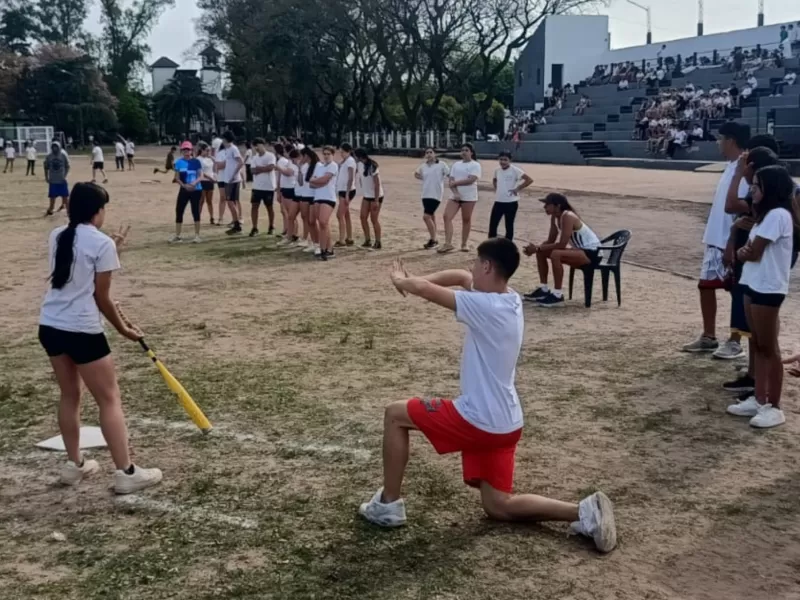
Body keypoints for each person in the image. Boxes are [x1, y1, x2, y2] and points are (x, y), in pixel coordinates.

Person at [358, 241, 617, 554]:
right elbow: (458, 276)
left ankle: (388, 504)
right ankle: (585, 512)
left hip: (478, 419)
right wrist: (415, 279)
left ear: (487, 267)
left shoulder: (486, 307)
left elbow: (428, 291)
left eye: (476, 262)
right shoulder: (509, 298)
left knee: (395, 414)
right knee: (498, 506)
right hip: (506, 423)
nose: (471, 267)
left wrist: (401, 280)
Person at [38, 182, 162, 493]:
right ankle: (126, 472)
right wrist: (124, 329)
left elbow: (78, 274)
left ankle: (74, 465)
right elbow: (101, 297)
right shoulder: (100, 242)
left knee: (69, 395)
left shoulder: (58, 235)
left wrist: (112, 250)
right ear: (97, 211)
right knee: (109, 399)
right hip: (82, 330)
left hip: (50, 325)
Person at [726, 166, 798, 429]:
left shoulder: (778, 215)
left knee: (769, 347)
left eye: (757, 185)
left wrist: (745, 252)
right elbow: (746, 251)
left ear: (770, 188)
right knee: (757, 343)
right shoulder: (763, 216)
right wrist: (744, 252)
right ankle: (758, 399)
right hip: (752, 283)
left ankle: (774, 406)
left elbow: (753, 252)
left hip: (769, 288)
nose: (752, 190)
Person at [682, 122, 750, 354]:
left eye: (721, 139)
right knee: (706, 286)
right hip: (715, 238)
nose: (718, 143)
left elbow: (742, 208)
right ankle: (709, 336)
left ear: (730, 140)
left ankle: (735, 340)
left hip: (731, 240)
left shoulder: (745, 169)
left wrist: (733, 241)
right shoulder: (731, 166)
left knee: (737, 291)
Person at [721, 140, 781, 395]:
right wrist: (733, 240)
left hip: (763, 273)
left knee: (764, 336)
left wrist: (738, 174)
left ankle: (763, 389)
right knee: (756, 331)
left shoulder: (774, 205)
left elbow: (730, 205)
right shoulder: (763, 197)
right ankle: (755, 379)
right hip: (753, 269)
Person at [522, 193, 601, 308]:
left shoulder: (568, 216)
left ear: (557, 206)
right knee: (542, 250)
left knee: (556, 254)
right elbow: (550, 240)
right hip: (579, 251)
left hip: (592, 253)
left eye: (547, 204)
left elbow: (562, 244)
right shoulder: (555, 217)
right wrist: (537, 248)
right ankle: (544, 289)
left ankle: (557, 295)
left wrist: (537, 248)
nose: (544, 207)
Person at [439, 143, 481, 254]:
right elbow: (451, 180)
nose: (464, 152)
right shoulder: (456, 164)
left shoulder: (475, 165)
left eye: (466, 150)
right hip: (455, 196)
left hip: (469, 196)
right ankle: (448, 243)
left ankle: (464, 243)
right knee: (447, 216)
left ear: (471, 152)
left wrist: (456, 183)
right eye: (462, 150)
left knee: (466, 219)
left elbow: (471, 180)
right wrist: (455, 192)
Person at [490, 152, 533, 241]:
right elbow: (494, 179)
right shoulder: (497, 170)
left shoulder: (515, 170)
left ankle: (508, 245)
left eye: (505, 160)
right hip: (499, 201)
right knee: (493, 224)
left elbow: (529, 180)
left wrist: (517, 189)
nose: (503, 162)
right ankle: (490, 245)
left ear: (510, 160)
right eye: (501, 159)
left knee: (509, 225)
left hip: (511, 202)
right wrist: (497, 189)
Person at [169, 141, 205, 244]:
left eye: (188, 149)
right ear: (182, 151)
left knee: (195, 211)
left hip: (196, 189)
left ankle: (197, 235)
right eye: (184, 150)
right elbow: (177, 177)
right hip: (184, 189)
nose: (186, 151)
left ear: (191, 150)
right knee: (179, 210)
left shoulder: (196, 162)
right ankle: (178, 235)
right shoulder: (179, 162)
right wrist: (184, 186)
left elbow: (201, 176)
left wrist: (193, 183)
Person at [414, 147, 449, 249]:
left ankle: (434, 240)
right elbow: (416, 173)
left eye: (431, 152)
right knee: (431, 216)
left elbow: (449, 174)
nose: (429, 154)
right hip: (425, 194)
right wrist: (423, 178)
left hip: (436, 194)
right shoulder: (423, 166)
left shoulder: (441, 164)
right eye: (427, 152)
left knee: (426, 217)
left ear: (435, 154)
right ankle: (433, 238)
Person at [309, 146, 339, 260]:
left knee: (323, 221)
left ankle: (323, 249)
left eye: (328, 154)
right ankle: (329, 249)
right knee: (323, 224)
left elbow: (324, 180)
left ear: (332, 155)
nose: (326, 156)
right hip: (318, 197)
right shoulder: (319, 166)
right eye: (324, 154)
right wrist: (319, 182)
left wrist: (317, 181)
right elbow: (311, 183)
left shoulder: (333, 165)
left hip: (328, 197)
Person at [354, 148, 384, 249]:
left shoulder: (372, 166)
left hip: (376, 196)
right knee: (363, 217)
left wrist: (376, 200)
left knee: (374, 219)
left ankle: (378, 241)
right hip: (367, 195)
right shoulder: (359, 164)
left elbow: (377, 184)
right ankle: (367, 240)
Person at [248, 137, 276, 237]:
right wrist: (263, 168)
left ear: (262, 145)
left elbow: (271, 167)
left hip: (268, 186)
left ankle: (271, 226)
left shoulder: (270, 156)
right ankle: (254, 227)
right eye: (254, 146)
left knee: (269, 207)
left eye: (257, 145)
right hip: (257, 187)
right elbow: (252, 171)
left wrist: (259, 168)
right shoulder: (254, 158)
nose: (256, 148)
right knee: (254, 206)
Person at [276, 145, 300, 245]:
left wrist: (277, 167)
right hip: (285, 188)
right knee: (288, 214)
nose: (284, 154)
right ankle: (290, 234)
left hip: (291, 189)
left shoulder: (293, 164)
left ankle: (294, 234)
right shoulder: (288, 163)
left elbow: (288, 173)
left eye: (285, 152)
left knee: (291, 214)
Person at [221, 131, 244, 235]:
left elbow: (241, 162)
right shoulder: (227, 149)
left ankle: (237, 225)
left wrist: (234, 175)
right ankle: (236, 223)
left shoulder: (233, 149)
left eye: (223, 138)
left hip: (232, 180)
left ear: (226, 139)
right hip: (227, 179)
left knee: (230, 202)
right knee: (231, 202)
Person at [299, 147, 320, 254]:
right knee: (306, 219)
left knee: (313, 221)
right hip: (305, 194)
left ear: (306, 156)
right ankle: (312, 242)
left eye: (301, 156)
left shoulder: (318, 165)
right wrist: (299, 168)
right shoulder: (304, 166)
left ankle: (318, 243)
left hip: (313, 196)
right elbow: (300, 182)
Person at [335, 143, 357, 248]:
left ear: (348, 151)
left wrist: (347, 194)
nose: (341, 154)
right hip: (342, 190)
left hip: (346, 190)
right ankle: (349, 237)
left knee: (340, 215)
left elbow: (351, 178)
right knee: (345, 214)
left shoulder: (350, 161)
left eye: (343, 152)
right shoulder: (345, 161)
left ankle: (342, 239)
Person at [44, 142, 71, 216]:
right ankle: (50, 209)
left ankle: (69, 212)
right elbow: (46, 167)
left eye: (56, 147)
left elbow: (67, 166)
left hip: (62, 180)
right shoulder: (49, 157)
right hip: (53, 181)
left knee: (65, 197)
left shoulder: (63, 155)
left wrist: (65, 176)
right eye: (53, 147)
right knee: (52, 198)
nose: (55, 148)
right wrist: (46, 177)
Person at [197, 143, 216, 225]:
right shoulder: (198, 159)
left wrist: (214, 176)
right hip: (203, 181)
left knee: (209, 201)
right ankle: (197, 218)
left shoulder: (210, 159)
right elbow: (200, 172)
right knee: (201, 201)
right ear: (202, 150)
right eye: (207, 150)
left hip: (210, 181)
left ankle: (212, 217)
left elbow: (214, 168)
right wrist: (210, 178)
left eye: (209, 151)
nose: (208, 152)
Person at [214, 140, 228, 226]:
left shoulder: (233, 151)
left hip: (231, 179)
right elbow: (219, 166)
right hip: (222, 178)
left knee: (232, 199)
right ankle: (220, 218)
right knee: (223, 198)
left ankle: (236, 219)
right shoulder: (220, 153)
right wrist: (228, 162)